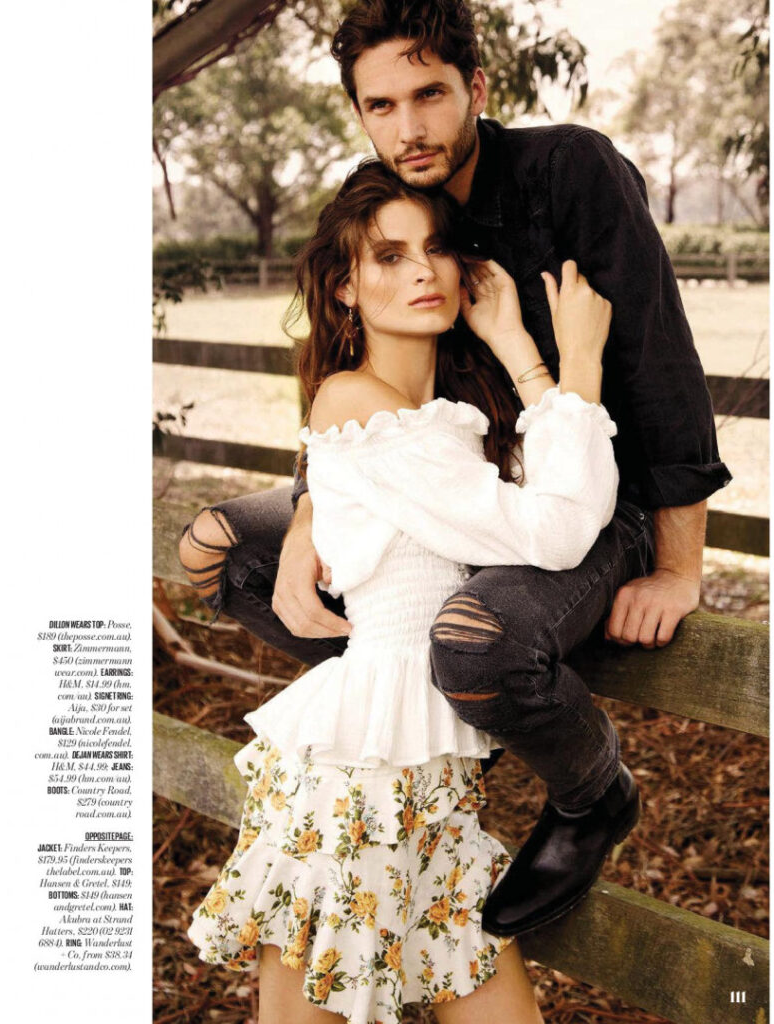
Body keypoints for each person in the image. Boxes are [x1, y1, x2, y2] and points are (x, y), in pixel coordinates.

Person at [179, 0, 730, 939]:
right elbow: (340, 365)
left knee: (476, 638)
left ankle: (590, 791)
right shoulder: (383, 191)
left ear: (475, 88)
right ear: (359, 111)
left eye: (428, 95)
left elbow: (660, 367)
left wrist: (677, 568)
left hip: (589, 502)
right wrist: (312, 509)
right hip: (445, 490)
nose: (408, 128)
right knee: (221, 551)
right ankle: (437, 708)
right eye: (381, 105)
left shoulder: (571, 172)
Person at [187, 158, 623, 1023]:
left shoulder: (439, 418)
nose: (423, 270)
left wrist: (514, 350)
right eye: (389, 256)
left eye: (435, 248)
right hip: (354, 785)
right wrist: (573, 359)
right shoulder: (357, 402)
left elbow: (554, 509)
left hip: (429, 791)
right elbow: (559, 530)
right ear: (344, 288)